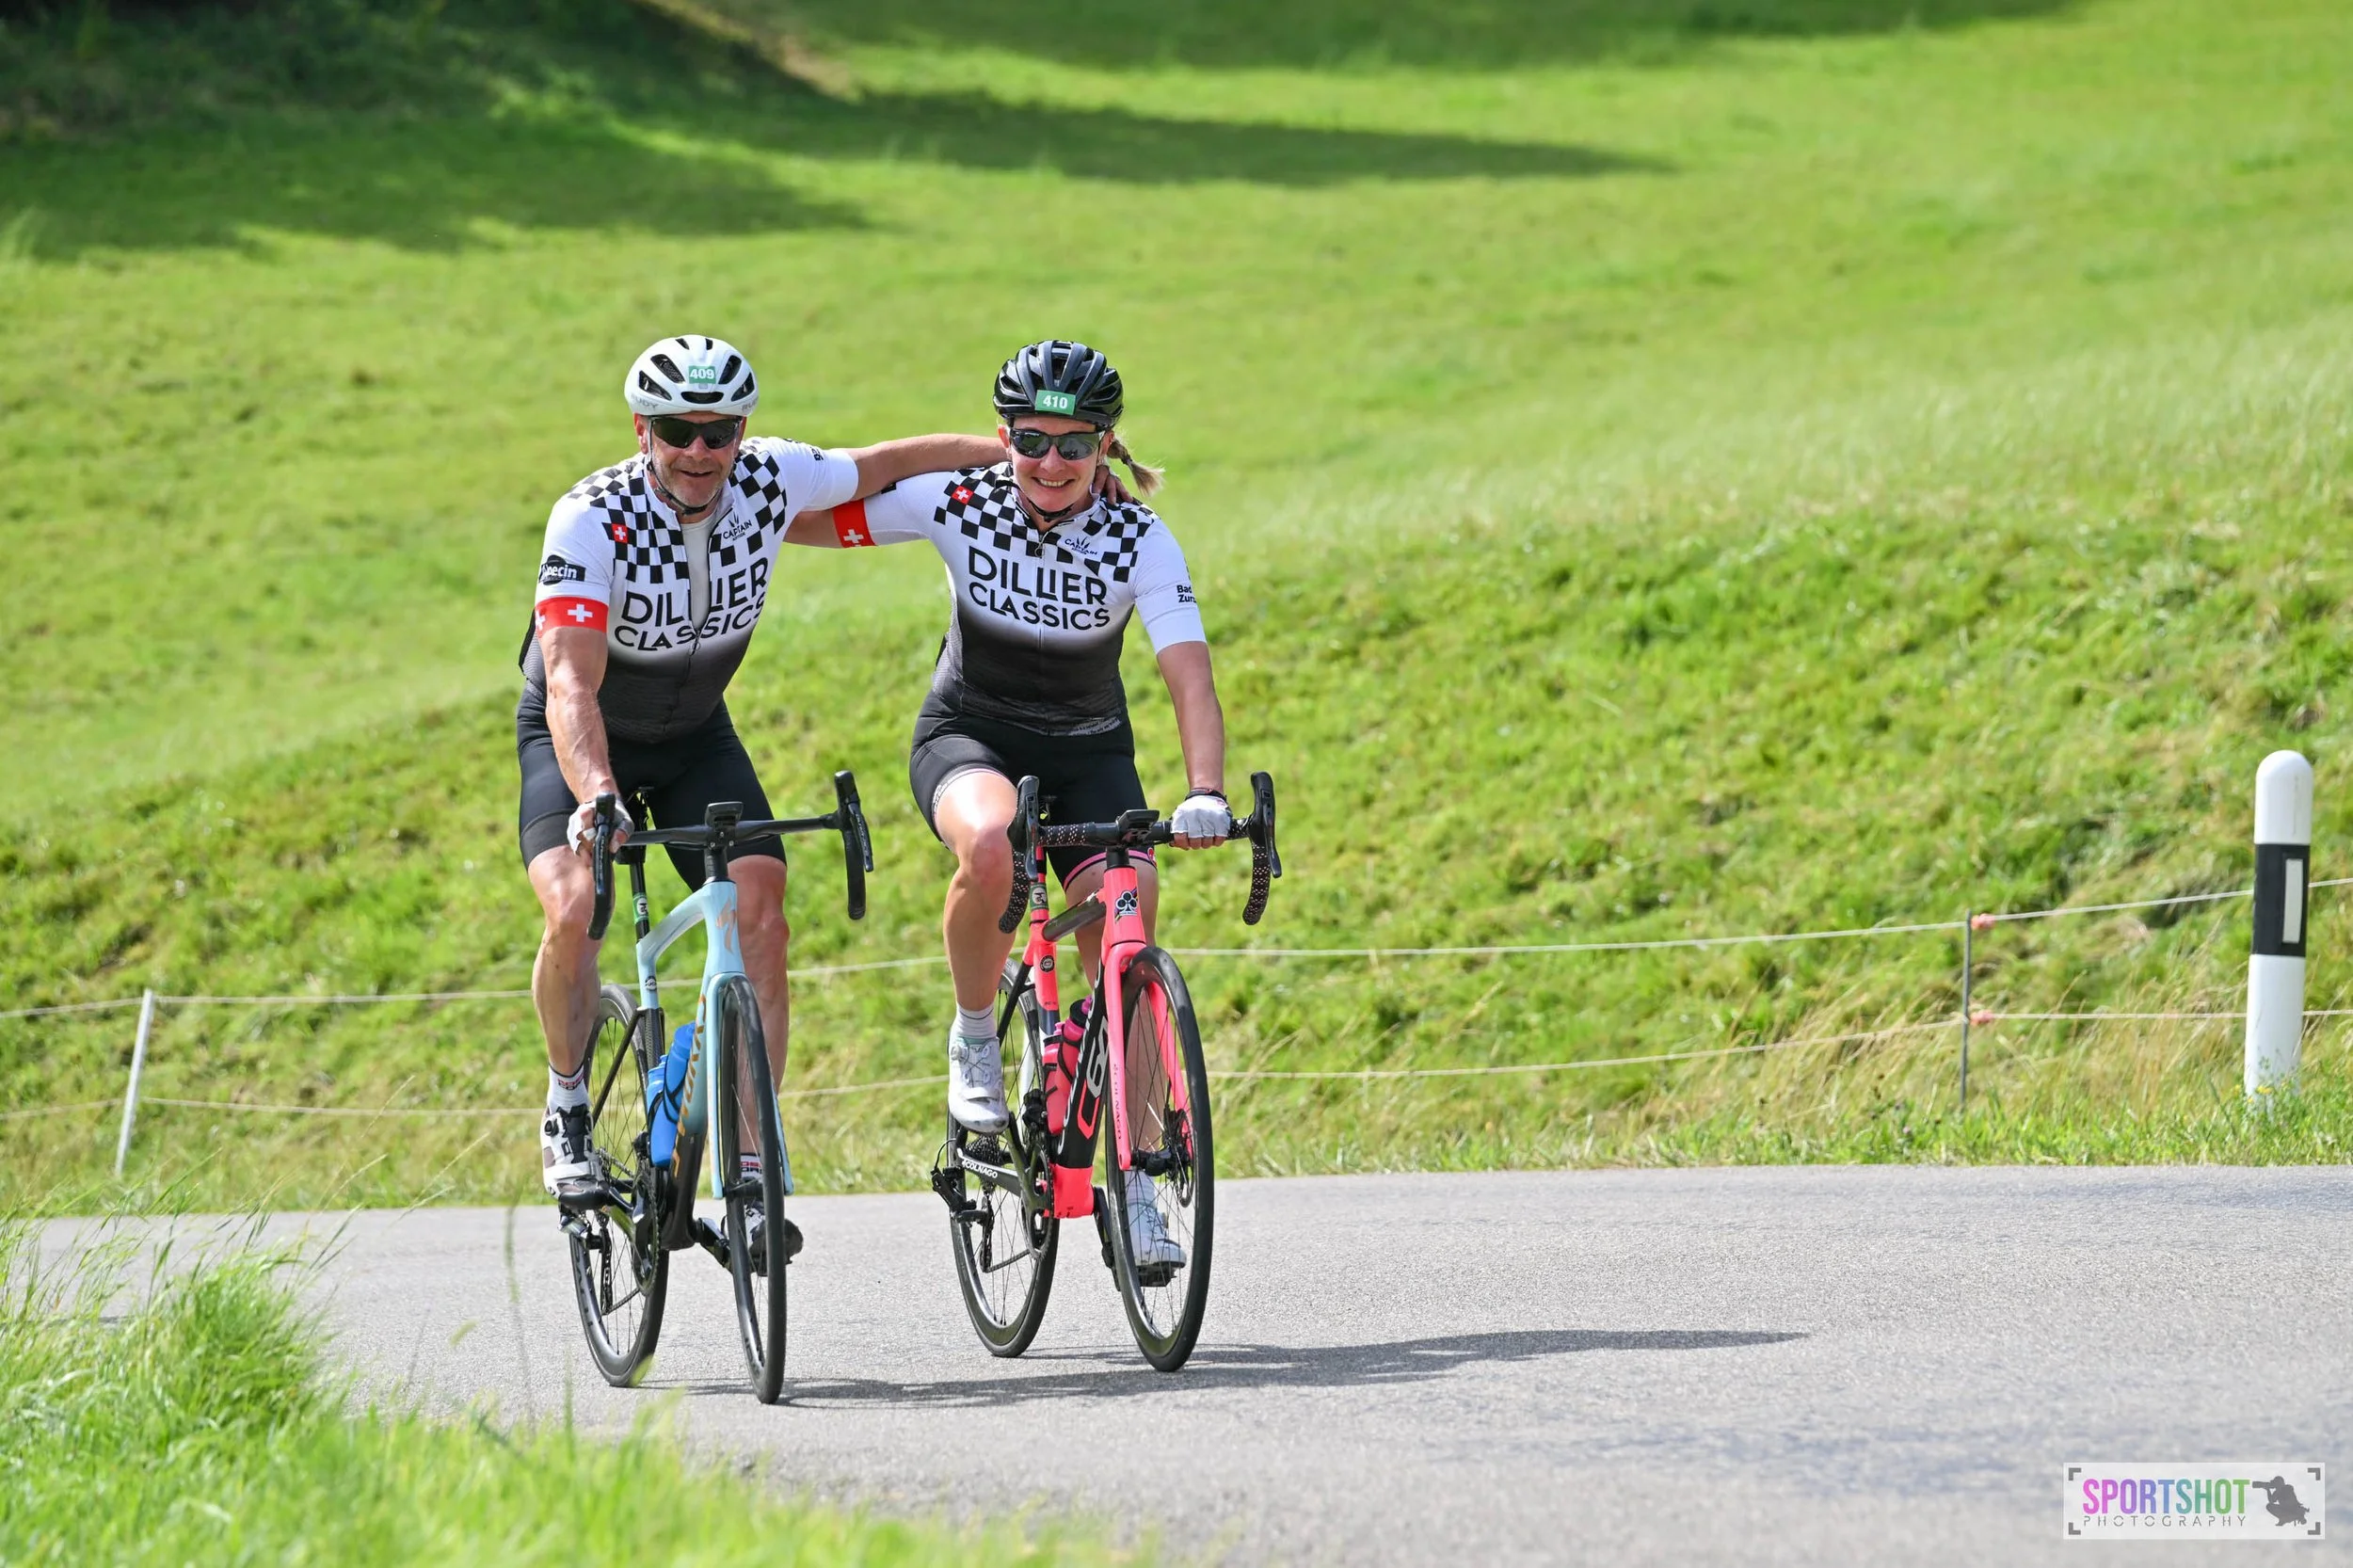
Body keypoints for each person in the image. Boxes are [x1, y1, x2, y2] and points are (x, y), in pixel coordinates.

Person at [522, 334, 998, 1245]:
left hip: (695, 733)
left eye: (720, 431)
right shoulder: (590, 517)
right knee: (576, 906)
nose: (700, 451)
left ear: (742, 431)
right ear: (642, 430)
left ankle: (748, 1165)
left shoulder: (772, 477)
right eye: (678, 431)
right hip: (582, 741)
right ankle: (567, 1100)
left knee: (764, 909)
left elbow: (884, 465)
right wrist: (596, 794)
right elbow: (570, 684)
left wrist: (1014, 457)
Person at [785, 340, 1230, 1267]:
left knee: (1130, 925)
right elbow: (809, 521)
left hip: (1089, 755)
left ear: (1105, 445)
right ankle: (977, 1035)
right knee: (992, 846)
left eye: (1075, 445)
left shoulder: (1139, 537)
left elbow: (1187, 673)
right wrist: (724, 515)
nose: (1051, 463)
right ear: (1003, 438)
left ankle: (1139, 1179)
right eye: (1031, 441)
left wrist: (1205, 790)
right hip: (969, 740)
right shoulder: (962, 498)